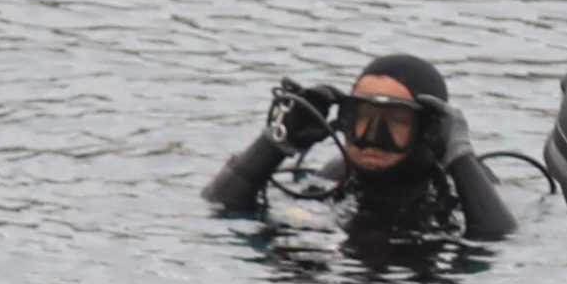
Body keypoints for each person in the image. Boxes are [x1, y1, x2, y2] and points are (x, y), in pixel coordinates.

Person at [201, 53, 518, 241]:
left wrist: (460, 154)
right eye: (361, 117)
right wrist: (274, 143)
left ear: (429, 129)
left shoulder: (463, 189)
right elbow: (220, 206)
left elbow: (498, 239)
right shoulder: (336, 178)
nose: (371, 137)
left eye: (395, 120)